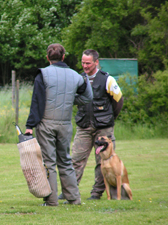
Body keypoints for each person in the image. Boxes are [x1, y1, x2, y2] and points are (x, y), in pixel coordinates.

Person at [25, 44, 93, 206]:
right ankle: (74, 198)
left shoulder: (43, 74)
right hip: (65, 125)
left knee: (49, 162)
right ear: (63, 57)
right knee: (66, 160)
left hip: (46, 124)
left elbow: (37, 101)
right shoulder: (77, 76)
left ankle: (51, 200)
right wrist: (70, 100)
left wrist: (29, 125)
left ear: (47, 58)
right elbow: (87, 97)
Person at [58, 49, 124, 200]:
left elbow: (119, 101)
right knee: (75, 159)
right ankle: (69, 191)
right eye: (83, 63)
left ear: (96, 62)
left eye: (88, 63)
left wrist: (110, 117)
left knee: (103, 162)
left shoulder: (107, 79)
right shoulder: (78, 78)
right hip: (84, 126)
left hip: (104, 129)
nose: (85, 66)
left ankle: (97, 193)